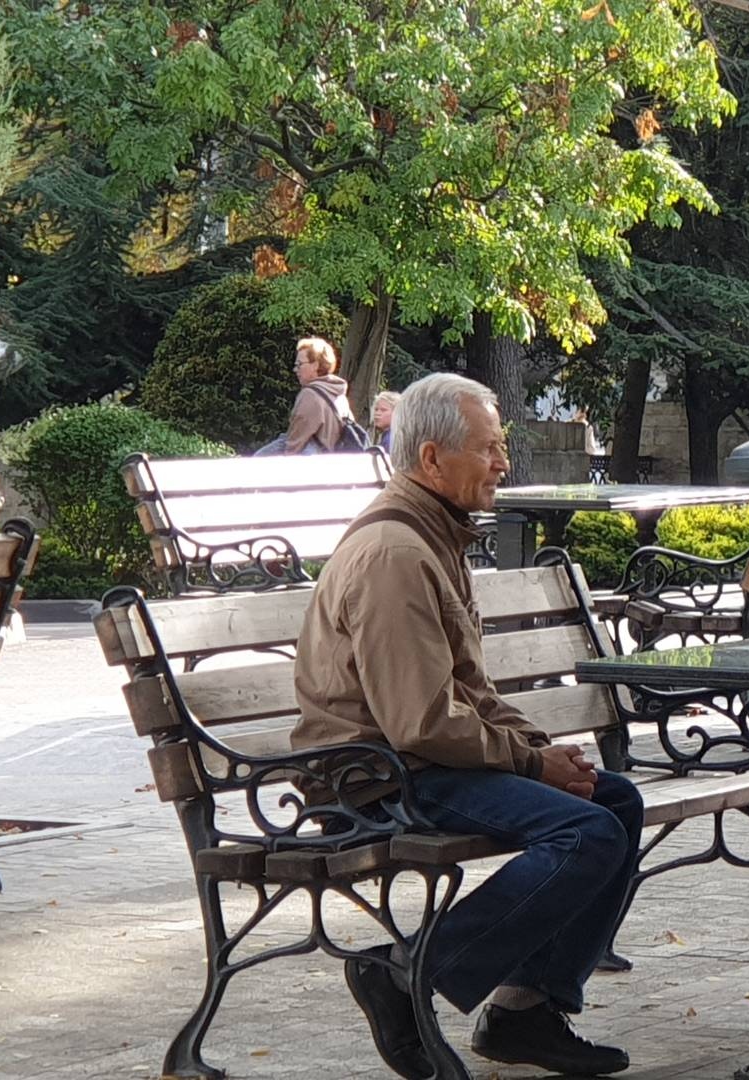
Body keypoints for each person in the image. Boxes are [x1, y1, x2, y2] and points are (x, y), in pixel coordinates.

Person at [292, 373, 640, 1079]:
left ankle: (525, 1013)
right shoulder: (396, 554)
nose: (503, 463)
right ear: (430, 460)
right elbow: (420, 722)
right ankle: (406, 970)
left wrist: (543, 752)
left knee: (613, 799)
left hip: (421, 760)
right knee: (588, 830)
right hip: (377, 777)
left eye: (500, 447)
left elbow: (469, 691)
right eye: (489, 449)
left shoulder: (431, 535)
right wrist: (533, 765)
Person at [257, 337, 353, 455]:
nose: (295, 370)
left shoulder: (310, 394)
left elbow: (295, 440)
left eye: (299, 364)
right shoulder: (339, 394)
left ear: (315, 365)